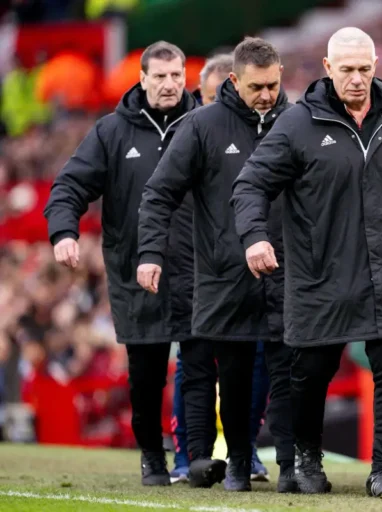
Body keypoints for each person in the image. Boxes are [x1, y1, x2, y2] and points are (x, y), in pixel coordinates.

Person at [231, 27, 382, 498]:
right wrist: (255, 237)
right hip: (320, 274)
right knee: (310, 373)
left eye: (365, 68)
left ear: (376, 64)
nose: (357, 78)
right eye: (347, 70)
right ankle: (306, 455)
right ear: (328, 68)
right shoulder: (298, 124)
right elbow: (250, 185)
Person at [138, 37, 294, 492]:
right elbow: (159, 192)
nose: (266, 95)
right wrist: (150, 253)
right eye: (255, 87)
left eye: (272, 85)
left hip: (290, 273)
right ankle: (240, 464)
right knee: (236, 374)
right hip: (225, 274)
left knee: (289, 372)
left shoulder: (297, 120)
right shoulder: (203, 125)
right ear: (234, 81)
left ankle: (291, 466)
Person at [43, 41, 197, 486]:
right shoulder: (112, 132)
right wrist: (64, 231)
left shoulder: (205, 123)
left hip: (199, 268)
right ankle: (152, 455)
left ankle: (197, 454)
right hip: (135, 272)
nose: (169, 85)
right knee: (146, 374)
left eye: (175, 76)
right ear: (143, 79)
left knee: (202, 366)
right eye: (160, 76)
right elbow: (70, 185)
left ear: (184, 76)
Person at [167, 51, 274, 486]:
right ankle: (190, 456)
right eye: (212, 96)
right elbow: (163, 202)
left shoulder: (266, 127)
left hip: (252, 269)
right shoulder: (194, 132)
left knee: (255, 368)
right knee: (196, 364)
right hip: (196, 269)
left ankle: (244, 455)